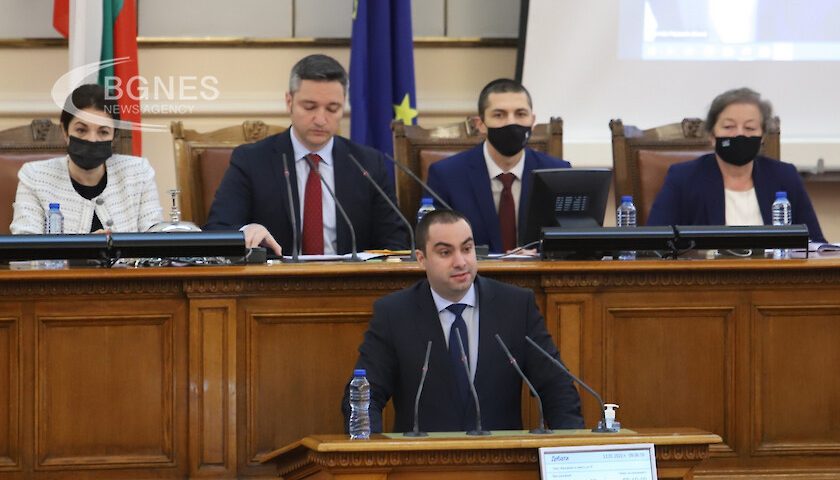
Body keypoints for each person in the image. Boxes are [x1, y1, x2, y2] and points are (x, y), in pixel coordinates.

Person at [342, 210, 583, 433]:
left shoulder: (516, 307)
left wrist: (571, 450)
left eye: (466, 249)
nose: (460, 262)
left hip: (502, 460)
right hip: (422, 461)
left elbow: (557, 388)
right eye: (445, 253)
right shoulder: (394, 314)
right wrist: (371, 454)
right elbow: (364, 398)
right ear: (422, 259)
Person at [204, 54, 409, 255]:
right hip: (275, 276)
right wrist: (246, 232)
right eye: (310, 107)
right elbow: (218, 228)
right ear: (289, 101)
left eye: (332, 108)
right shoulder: (252, 161)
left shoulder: (367, 164)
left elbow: (396, 240)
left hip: (350, 277)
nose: (320, 119)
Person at [647, 87, 825, 242]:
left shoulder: (784, 176)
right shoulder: (683, 178)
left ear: (762, 136)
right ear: (712, 135)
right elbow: (655, 242)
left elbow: (815, 243)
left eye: (750, 128)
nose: (739, 135)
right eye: (728, 127)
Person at [425, 79, 571, 254]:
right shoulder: (446, 175)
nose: (511, 123)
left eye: (520, 114)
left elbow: (569, 244)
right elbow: (435, 245)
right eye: (499, 115)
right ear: (480, 124)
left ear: (532, 121)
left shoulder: (558, 173)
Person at [10, 84, 162, 234]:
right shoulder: (35, 176)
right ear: (65, 131)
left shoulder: (139, 173)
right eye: (81, 130)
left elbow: (156, 237)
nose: (92, 139)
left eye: (103, 132)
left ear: (114, 136)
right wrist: (87, 247)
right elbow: (25, 245)